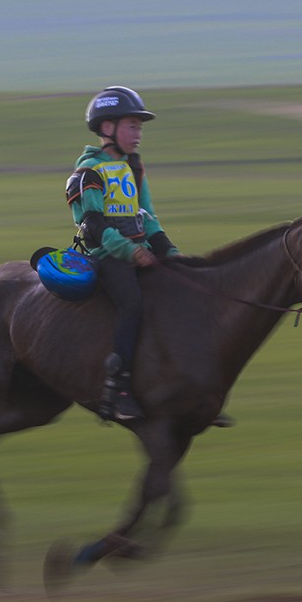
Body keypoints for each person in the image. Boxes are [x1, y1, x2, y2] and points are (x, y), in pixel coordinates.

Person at [65, 86, 181, 422]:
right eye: (131, 126)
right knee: (131, 304)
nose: (138, 134)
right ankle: (119, 389)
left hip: (139, 250)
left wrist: (169, 251)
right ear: (106, 128)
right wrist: (128, 251)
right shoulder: (89, 171)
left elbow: (148, 216)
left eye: (139, 127)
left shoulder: (134, 167)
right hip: (108, 255)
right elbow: (91, 225)